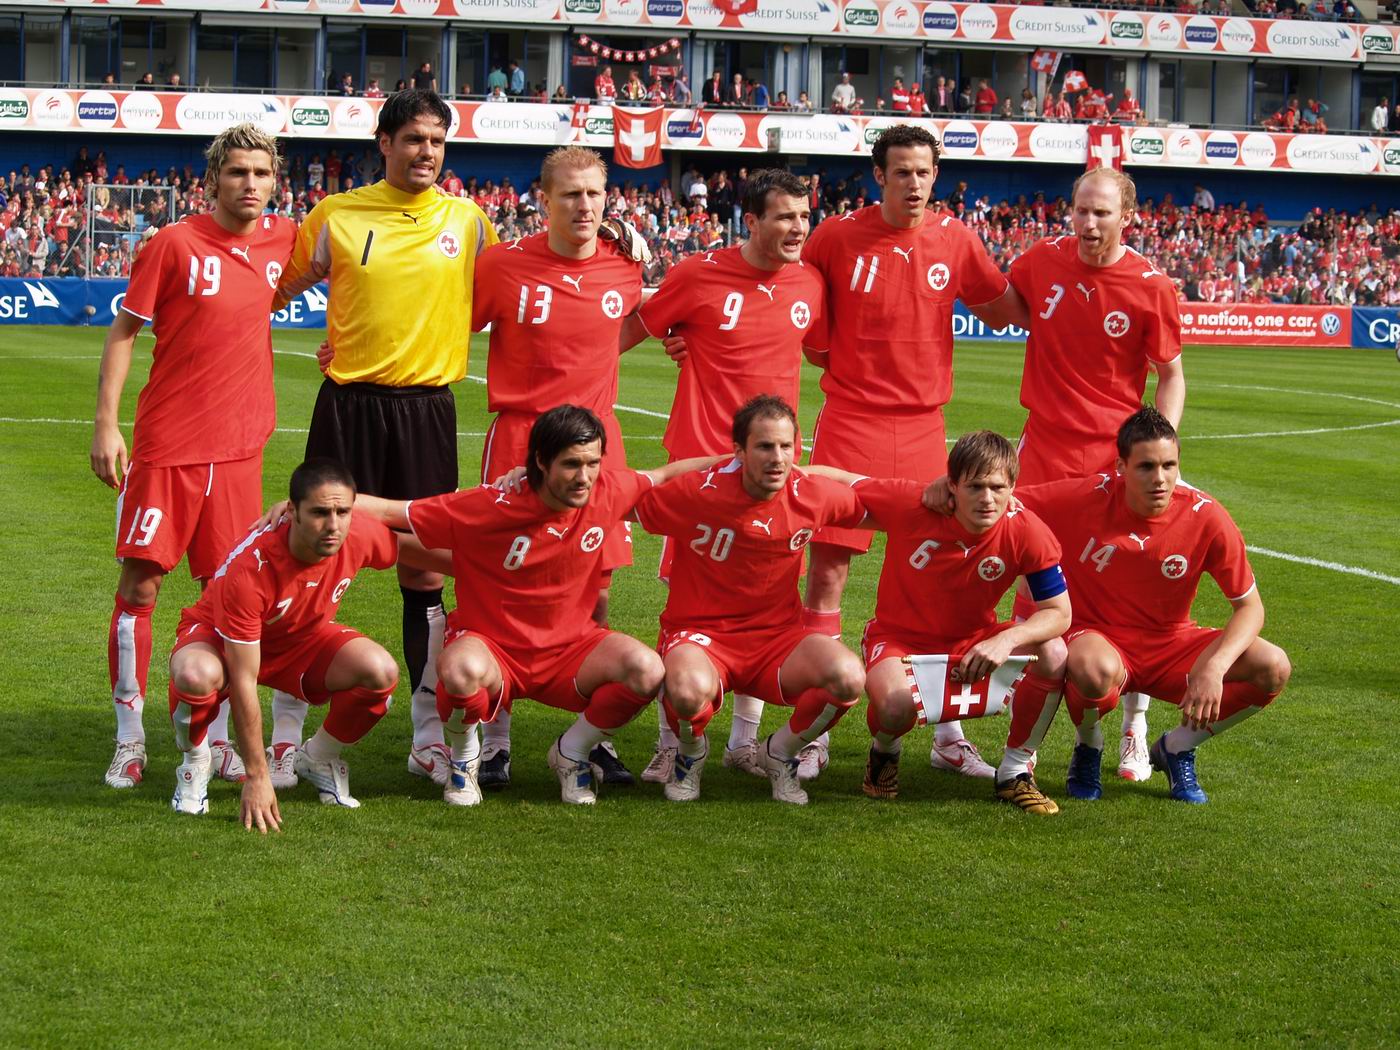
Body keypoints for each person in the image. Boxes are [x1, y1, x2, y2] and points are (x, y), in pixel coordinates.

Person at [274, 90, 498, 788]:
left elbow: (524, 283)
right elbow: (270, 288)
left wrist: (609, 236)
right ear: (385, 144)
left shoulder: (469, 221)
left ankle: (427, 736)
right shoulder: (335, 215)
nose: (426, 152)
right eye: (413, 139)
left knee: (424, 572)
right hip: (347, 407)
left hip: (426, 411)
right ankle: (284, 735)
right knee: (309, 559)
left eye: (437, 140)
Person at [798, 124, 1022, 779]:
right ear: (879, 176)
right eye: (902, 172)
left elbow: (1006, 309)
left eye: (924, 172)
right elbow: (787, 297)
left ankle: (948, 732)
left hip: (925, 428)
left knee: (943, 580)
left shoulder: (956, 239)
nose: (914, 183)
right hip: (851, 420)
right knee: (829, 572)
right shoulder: (835, 236)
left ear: (936, 176)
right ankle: (812, 727)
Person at [353, 406, 720, 806]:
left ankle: (571, 753)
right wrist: (319, 501)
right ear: (542, 462)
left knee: (646, 669)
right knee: (460, 672)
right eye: (571, 464)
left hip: (570, 650)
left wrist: (742, 459)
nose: (584, 477)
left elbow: (666, 475)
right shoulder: (492, 503)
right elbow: (391, 512)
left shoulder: (606, 491)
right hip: (493, 648)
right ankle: (464, 760)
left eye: (593, 463)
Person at [90, 123, 295, 791]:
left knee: (227, 597)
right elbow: (124, 333)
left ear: (275, 181)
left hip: (238, 453)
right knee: (140, 588)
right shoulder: (173, 244)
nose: (250, 184)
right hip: (168, 448)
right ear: (212, 181)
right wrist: (106, 425)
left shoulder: (284, 239)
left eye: (261, 173)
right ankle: (129, 738)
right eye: (237, 172)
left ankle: (219, 735)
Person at [620, 170, 827, 782]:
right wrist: (676, 335)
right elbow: (633, 328)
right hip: (702, 466)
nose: (797, 227)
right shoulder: (698, 274)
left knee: (762, 594)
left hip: (773, 467)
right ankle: (672, 741)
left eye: (804, 216)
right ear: (752, 221)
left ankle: (743, 742)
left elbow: (824, 351)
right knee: (689, 600)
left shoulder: (810, 283)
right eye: (784, 216)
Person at [469, 146, 651, 788]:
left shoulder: (624, 267)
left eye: (595, 193)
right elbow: (446, 328)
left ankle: (587, 738)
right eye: (571, 194)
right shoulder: (501, 265)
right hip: (520, 439)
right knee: (503, 584)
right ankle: (494, 739)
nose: (584, 205)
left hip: (598, 445)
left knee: (596, 589)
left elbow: (638, 324)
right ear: (543, 201)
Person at [1007, 409, 1291, 804]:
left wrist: (1214, 667)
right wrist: (940, 490)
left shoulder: (1205, 515)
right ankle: (1089, 744)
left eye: (1169, 465)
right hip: (1099, 639)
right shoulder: (1083, 497)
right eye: (1146, 467)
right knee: (1091, 667)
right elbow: (1002, 500)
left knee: (1273, 666)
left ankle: (1176, 747)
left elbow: (1250, 608)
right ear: (1121, 467)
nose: (1160, 478)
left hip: (1171, 644)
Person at [1006, 166, 1184, 780]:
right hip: (1044, 452)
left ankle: (1134, 724)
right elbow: (999, 303)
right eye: (1081, 209)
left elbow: (1172, 375)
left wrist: (1157, 449)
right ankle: (1024, 743)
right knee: (1033, 591)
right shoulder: (1040, 260)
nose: (1088, 222)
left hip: (1112, 458)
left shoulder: (1151, 285)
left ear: (1126, 218)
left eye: (1102, 212)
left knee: (1129, 590)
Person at [634, 397, 867, 804]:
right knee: (686, 690)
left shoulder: (810, 494)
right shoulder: (698, 492)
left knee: (848, 676)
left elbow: (878, 501)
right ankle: (690, 754)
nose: (777, 458)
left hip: (776, 640)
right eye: (764, 446)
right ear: (738, 452)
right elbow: (617, 501)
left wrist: (944, 495)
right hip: (702, 636)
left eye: (786, 446)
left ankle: (780, 753)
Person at [825, 432, 1071, 812]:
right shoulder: (912, 502)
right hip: (900, 639)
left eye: (997, 487)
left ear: (1012, 488)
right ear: (951, 485)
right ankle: (884, 753)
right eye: (975, 487)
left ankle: (1014, 772)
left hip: (974, 640)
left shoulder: (1027, 529)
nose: (987, 499)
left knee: (1053, 652)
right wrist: (762, 472)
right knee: (895, 707)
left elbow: (1059, 613)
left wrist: (1006, 640)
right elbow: (839, 479)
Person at [166, 460, 402, 826]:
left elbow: (425, 547)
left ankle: (319, 757)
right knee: (195, 674)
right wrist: (258, 777)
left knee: (380, 671)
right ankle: (196, 761)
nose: (333, 525)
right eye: (320, 513)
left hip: (300, 641)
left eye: (343, 512)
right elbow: (244, 681)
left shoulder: (357, 534)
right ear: (292, 512)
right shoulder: (251, 569)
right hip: (219, 639)